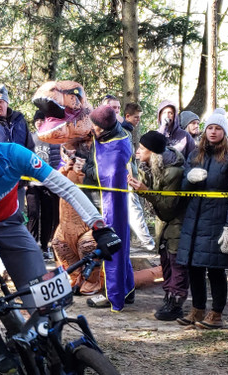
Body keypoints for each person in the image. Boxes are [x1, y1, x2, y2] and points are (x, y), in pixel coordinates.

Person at [0, 109, 122, 373]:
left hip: (10, 225)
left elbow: (65, 187)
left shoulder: (15, 155)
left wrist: (99, 227)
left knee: (44, 298)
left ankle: (48, 349)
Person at [175, 108, 228, 329]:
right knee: (195, 266)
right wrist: (189, 179)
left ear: (224, 132)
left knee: (215, 268)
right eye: (210, 127)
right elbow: (182, 189)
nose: (213, 132)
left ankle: (216, 314)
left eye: (218, 128)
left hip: (218, 220)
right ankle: (197, 309)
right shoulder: (195, 155)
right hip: (194, 220)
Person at [127, 131, 188, 321]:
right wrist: (139, 183)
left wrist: (145, 191)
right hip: (165, 225)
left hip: (177, 224)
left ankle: (176, 303)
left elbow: (168, 207)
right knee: (166, 263)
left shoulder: (173, 172)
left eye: (142, 149)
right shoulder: (151, 166)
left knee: (177, 264)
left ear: (153, 152)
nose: (138, 151)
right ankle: (168, 299)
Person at [80, 105, 135, 311]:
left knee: (111, 244)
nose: (92, 129)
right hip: (99, 198)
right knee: (120, 245)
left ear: (104, 128)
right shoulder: (103, 137)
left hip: (111, 203)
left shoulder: (118, 146)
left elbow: (108, 177)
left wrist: (87, 171)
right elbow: (93, 165)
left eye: (95, 126)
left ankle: (114, 296)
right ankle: (126, 289)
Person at [0, 83, 34, 212]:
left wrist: (26, 178)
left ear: (7, 103)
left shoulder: (19, 120)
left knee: (16, 220)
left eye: (2, 101)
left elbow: (29, 148)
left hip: (18, 184)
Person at [26, 110, 61, 259]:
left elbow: (56, 159)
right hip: (32, 184)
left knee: (48, 216)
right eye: (37, 120)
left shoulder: (52, 139)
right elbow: (25, 159)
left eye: (42, 119)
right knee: (33, 214)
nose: (39, 122)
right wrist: (25, 181)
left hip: (48, 183)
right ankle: (32, 246)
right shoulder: (30, 138)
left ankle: (45, 246)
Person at [121, 103, 155, 251]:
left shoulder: (127, 131)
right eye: (136, 117)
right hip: (127, 178)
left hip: (129, 175)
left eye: (140, 118)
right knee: (134, 209)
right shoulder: (122, 132)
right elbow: (124, 156)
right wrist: (129, 175)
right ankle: (147, 242)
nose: (138, 121)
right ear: (127, 116)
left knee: (132, 209)